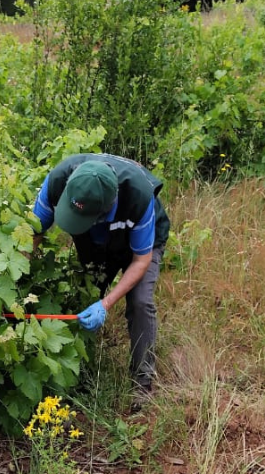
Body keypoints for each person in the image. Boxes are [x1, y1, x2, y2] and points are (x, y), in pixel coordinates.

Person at [31, 153, 169, 399]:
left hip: (141, 245)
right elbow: (33, 234)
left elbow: (141, 261)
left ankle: (142, 382)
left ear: (105, 210)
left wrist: (105, 304)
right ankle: (82, 369)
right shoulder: (57, 181)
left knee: (140, 302)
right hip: (95, 241)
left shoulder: (138, 197)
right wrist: (18, 273)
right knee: (88, 292)